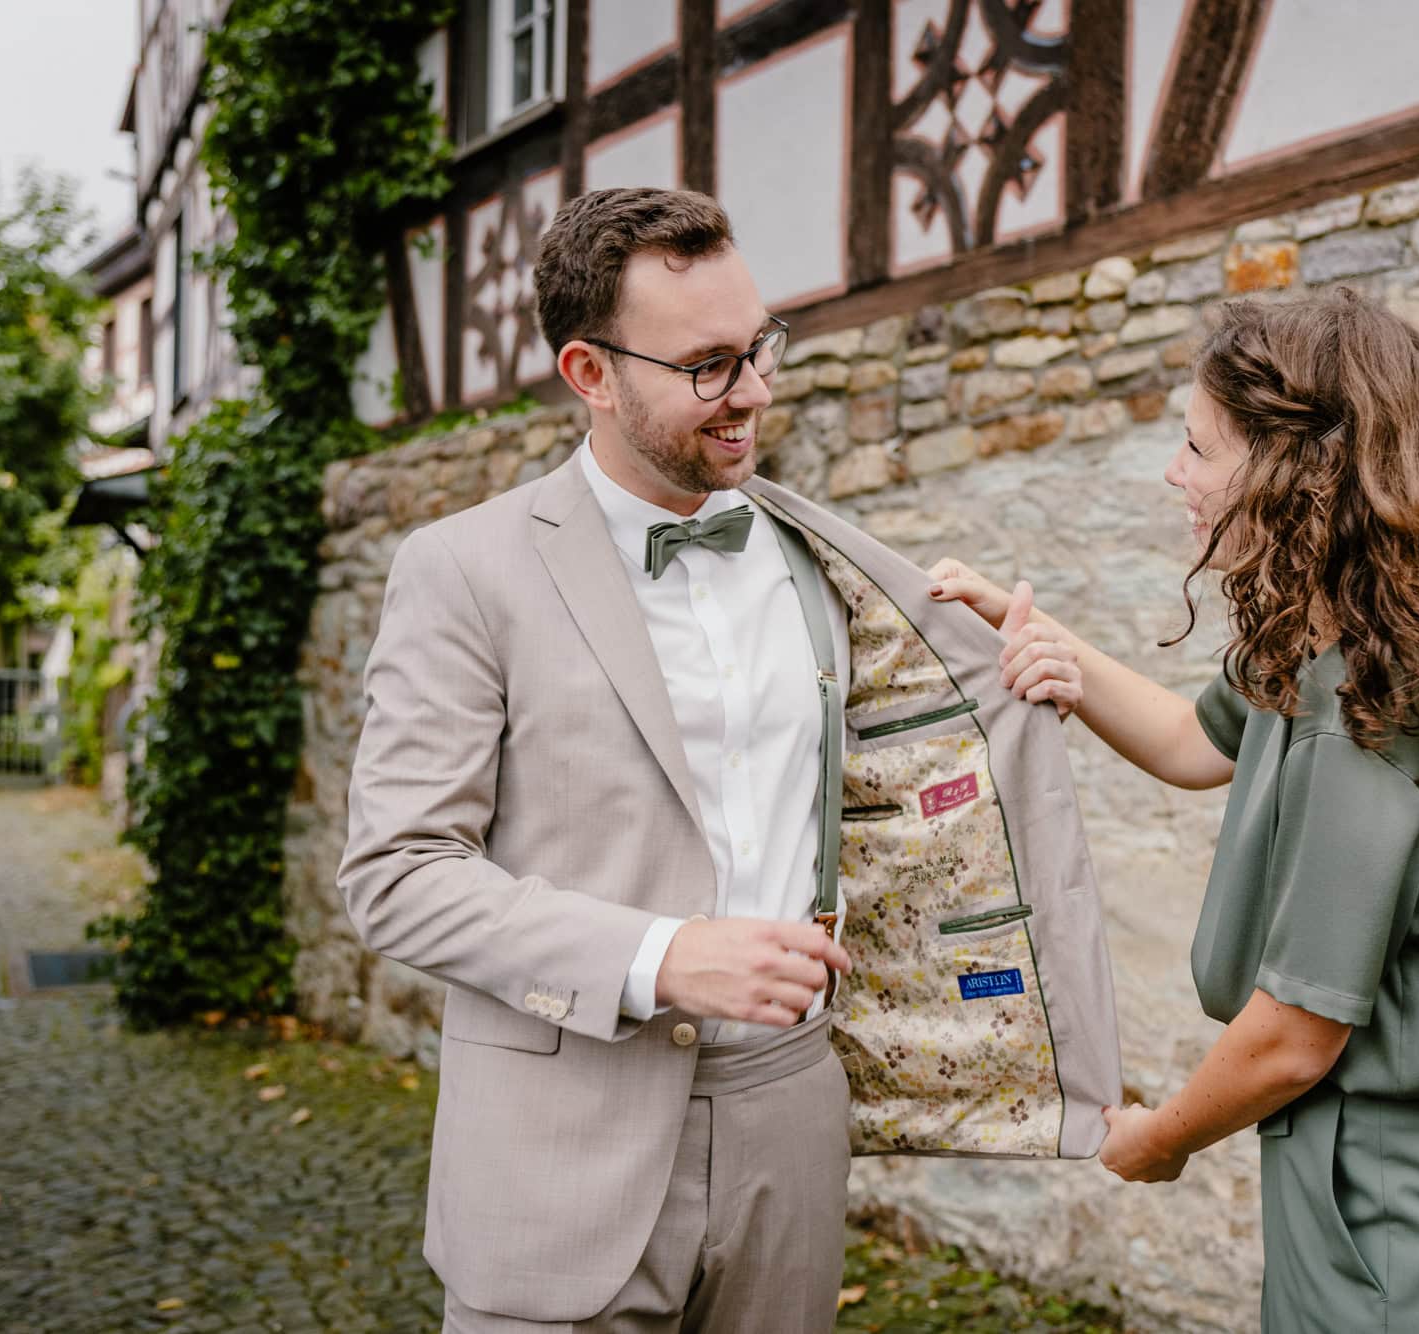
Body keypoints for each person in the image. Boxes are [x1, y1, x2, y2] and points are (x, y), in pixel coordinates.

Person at [338, 186, 1121, 1334]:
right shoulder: (461, 571)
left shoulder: (829, 562)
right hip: (557, 1143)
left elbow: (930, 754)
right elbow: (396, 873)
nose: (754, 389)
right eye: (708, 364)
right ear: (589, 372)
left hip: (787, 1124)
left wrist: (1043, 679)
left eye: (759, 344)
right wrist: (659, 957)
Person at [928, 289, 1419, 1332]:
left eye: (1195, 447)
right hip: (1409, 1166)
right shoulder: (1333, 645)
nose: (1174, 473)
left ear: (1294, 472)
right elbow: (1190, 739)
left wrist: (1160, 1136)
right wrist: (1035, 638)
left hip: (1400, 1198)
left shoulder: (1364, 715)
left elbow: (1289, 1038)